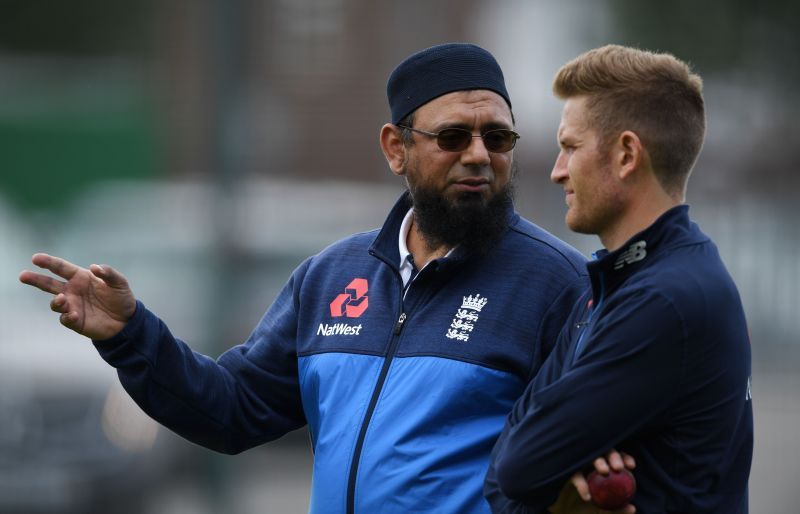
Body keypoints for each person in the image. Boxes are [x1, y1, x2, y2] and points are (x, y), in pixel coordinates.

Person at [20, 43, 589, 514]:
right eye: (452, 137)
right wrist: (129, 334)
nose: (479, 155)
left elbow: (591, 463)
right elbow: (232, 409)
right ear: (397, 149)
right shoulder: (330, 276)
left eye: (498, 138)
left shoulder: (559, 285)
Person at [484, 45, 753, 513]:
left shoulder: (668, 298)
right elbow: (503, 472)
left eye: (570, 147)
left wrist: (548, 476)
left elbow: (518, 466)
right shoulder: (619, 282)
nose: (556, 171)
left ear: (627, 154)